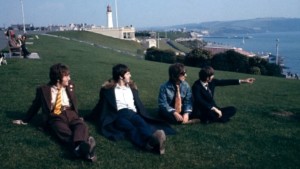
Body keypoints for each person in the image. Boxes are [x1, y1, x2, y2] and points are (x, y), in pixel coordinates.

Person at [12, 63, 97, 162]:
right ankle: (86, 150)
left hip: (70, 112)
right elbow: (35, 105)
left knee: (81, 125)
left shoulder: (70, 85)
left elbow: (73, 102)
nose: (69, 78)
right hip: (56, 115)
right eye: (66, 76)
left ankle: (78, 149)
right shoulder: (44, 90)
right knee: (62, 130)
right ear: (58, 78)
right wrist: (24, 120)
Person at [89, 64, 175, 155]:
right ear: (121, 76)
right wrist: (88, 117)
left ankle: (151, 140)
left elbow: (138, 104)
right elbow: (100, 106)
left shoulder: (132, 88)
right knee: (130, 128)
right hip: (119, 115)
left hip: (133, 114)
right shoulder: (109, 90)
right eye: (128, 74)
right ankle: (148, 143)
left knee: (142, 124)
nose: (130, 76)